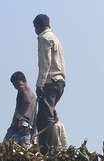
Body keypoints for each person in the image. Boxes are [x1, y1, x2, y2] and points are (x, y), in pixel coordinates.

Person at [33, 14, 66, 152]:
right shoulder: (56, 38)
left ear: (38, 26)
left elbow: (45, 63)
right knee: (49, 115)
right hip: (60, 82)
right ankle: (53, 146)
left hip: (50, 82)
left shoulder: (44, 38)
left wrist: (40, 84)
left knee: (43, 119)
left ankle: (46, 150)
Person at [4, 71, 37, 146]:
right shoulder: (31, 94)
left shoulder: (24, 90)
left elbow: (27, 101)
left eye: (18, 84)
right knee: (23, 146)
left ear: (24, 81)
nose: (16, 87)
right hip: (27, 125)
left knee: (6, 145)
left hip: (22, 124)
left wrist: (20, 118)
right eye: (14, 85)